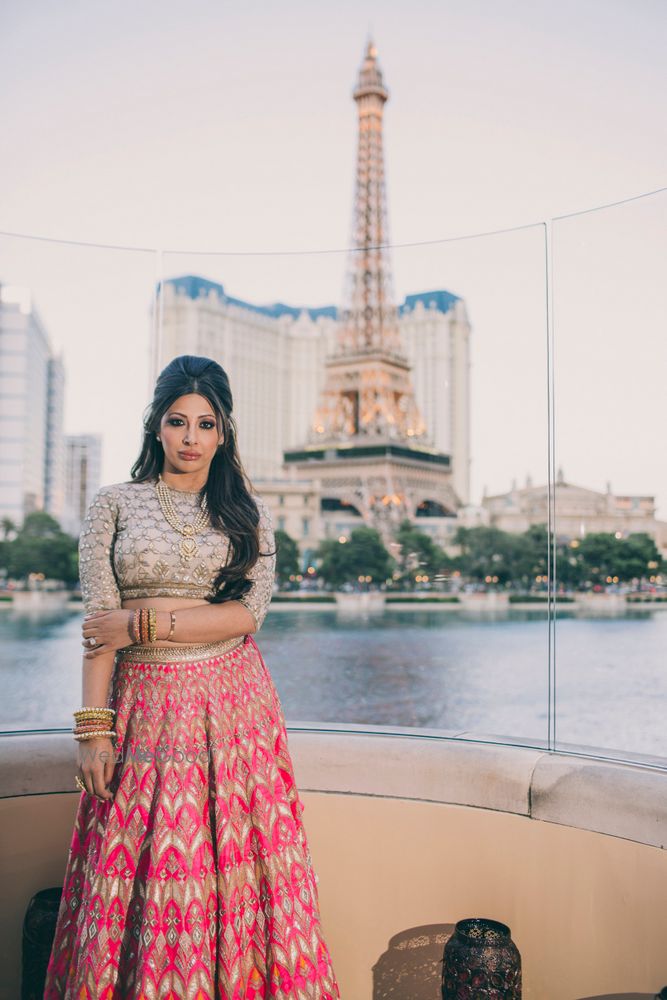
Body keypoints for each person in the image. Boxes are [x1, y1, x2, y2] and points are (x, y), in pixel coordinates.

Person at [43, 354, 341, 999]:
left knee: (233, 869)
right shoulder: (113, 505)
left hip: (233, 708)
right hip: (141, 708)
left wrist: (143, 624)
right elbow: (100, 629)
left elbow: (248, 615)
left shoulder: (246, 513)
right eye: (178, 422)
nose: (190, 438)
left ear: (224, 432)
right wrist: (93, 730)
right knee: (147, 870)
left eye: (205, 425)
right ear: (156, 427)